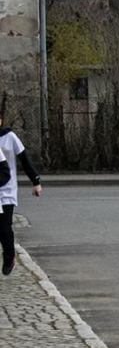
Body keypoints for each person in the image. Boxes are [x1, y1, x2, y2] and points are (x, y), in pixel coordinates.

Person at [0, 117, 40, 276]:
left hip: (7, 189)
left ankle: (9, 256)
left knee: (4, 226)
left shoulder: (9, 137)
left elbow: (24, 158)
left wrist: (35, 181)